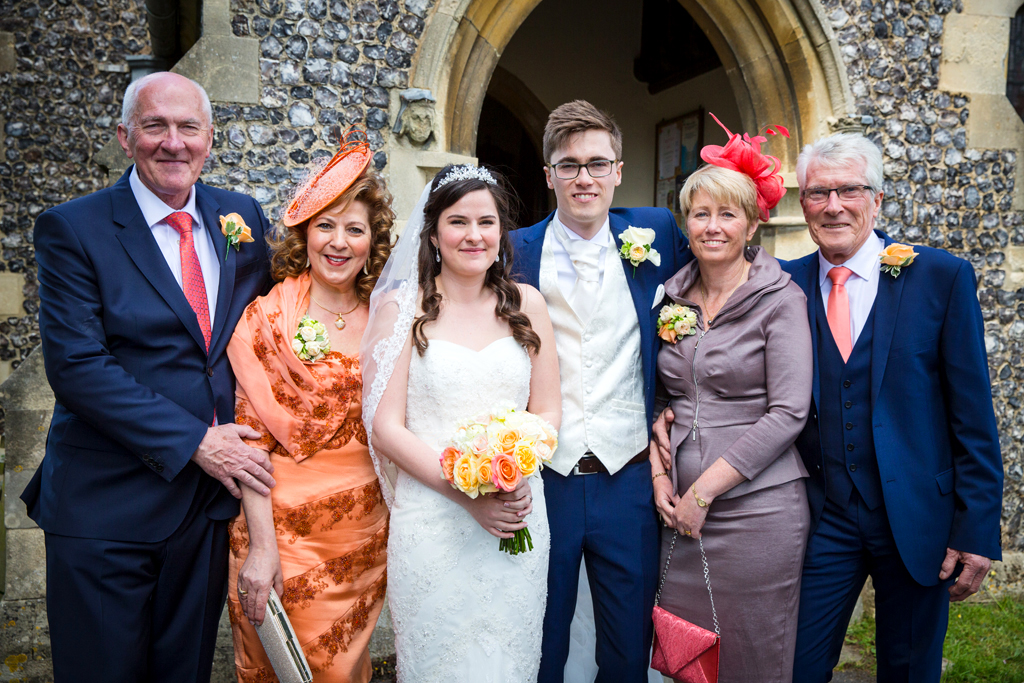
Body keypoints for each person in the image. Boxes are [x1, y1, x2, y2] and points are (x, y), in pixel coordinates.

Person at [22, 71, 275, 682]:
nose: (173, 142)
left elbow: (268, 329)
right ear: (124, 136)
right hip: (105, 507)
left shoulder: (240, 216)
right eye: (155, 126)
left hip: (204, 512)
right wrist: (197, 442)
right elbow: (77, 366)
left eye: (188, 127)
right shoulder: (73, 228)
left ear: (210, 137)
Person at [782, 132, 1004, 682]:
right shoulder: (782, 284)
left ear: (877, 199)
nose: (834, 206)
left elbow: (973, 415)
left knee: (908, 670)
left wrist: (975, 530)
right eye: (818, 193)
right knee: (793, 667)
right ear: (803, 203)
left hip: (917, 518)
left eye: (849, 190)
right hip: (821, 517)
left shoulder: (940, 277)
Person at [509, 100, 691, 683]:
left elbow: (728, 262)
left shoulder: (656, 232)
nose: (583, 178)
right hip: (547, 479)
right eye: (568, 165)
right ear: (549, 175)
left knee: (627, 649)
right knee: (541, 644)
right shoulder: (513, 249)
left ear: (618, 170)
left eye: (597, 164)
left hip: (628, 478)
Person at [363, 164, 561, 681]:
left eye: (486, 222)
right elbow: (386, 427)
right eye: (458, 222)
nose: (474, 235)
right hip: (433, 521)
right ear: (433, 234)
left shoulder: (529, 305)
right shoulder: (400, 310)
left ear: (501, 231)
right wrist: (467, 493)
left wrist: (514, 468)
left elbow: (548, 411)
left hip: (515, 513)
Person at [225, 135, 393, 682]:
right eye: (326, 226)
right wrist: (263, 550)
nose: (339, 242)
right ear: (305, 234)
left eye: (355, 229)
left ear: (373, 241)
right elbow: (249, 442)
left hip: (364, 540)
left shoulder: (390, 318)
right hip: (279, 535)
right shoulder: (269, 317)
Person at [650, 119, 812, 682]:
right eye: (700, 214)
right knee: (684, 655)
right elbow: (660, 394)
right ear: (686, 223)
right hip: (676, 513)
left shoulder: (781, 299)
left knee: (750, 658)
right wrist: (659, 475)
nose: (712, 227)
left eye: (727, 214)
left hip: (756, 512)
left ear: (752, 224)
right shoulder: (671, 296)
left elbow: (789, 412)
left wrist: (704, 492)